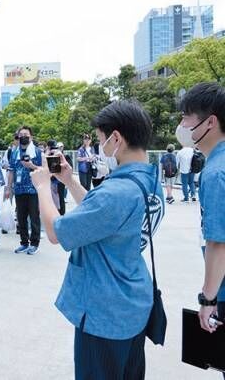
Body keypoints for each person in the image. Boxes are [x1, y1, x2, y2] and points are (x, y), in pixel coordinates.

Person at [30, 101, 165, 380]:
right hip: (134, 304)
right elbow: (102, 219)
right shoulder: (150, 182)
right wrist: (69, 180)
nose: (100, 147)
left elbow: (57, 232)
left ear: (116, 138)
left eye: (102, 140)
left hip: (105, 311)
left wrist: (43, 187)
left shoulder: (115, 192)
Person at [177, 82, 225, 340]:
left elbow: (219, 243)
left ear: (210, 122)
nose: (182, 125)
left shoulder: (215, 173)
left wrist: (208, 299)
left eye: (186, 117)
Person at [4, 126, 43, 255]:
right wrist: (8, 188)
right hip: (19, 189)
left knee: (34, 217)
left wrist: (31, 166)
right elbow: (11, 171)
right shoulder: (14, 152)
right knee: (21, 218)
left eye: (26, 134)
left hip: (33, 190)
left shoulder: (37, 152)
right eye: (21, 135)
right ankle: (24, 243)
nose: (23, 137)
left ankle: (35, 243)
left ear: (31, 137)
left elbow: (43, 171)